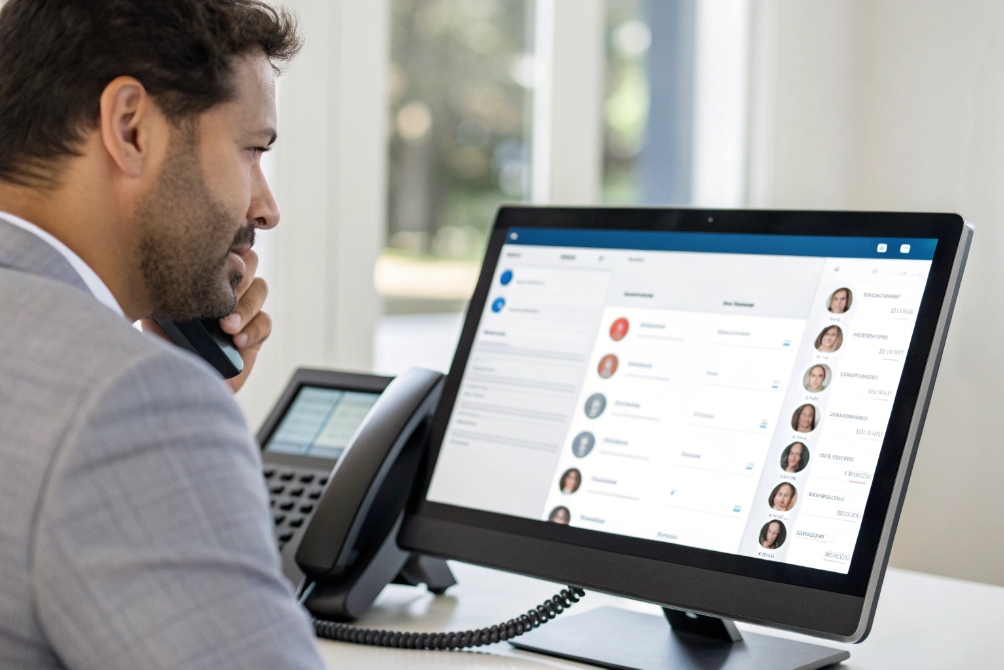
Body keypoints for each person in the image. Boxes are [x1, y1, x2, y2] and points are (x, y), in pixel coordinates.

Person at [0, 2, 324, 667]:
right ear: (131, 128)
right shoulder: (124, 399)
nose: (266, 207)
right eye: (252, 150)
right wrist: (168, 404)